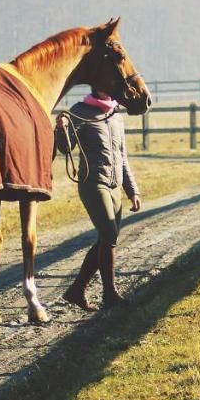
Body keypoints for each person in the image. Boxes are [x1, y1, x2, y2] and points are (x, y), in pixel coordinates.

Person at [56, 89, 142, 309]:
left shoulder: (116, 116)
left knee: (106, 239)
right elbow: (65, 147)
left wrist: (132, 191)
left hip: (115, 185)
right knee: (109, 235)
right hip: (93, 182)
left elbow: (122, 157)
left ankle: (77, 289)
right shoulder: (80, 111)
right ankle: (109, 294)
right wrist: (61, 128)